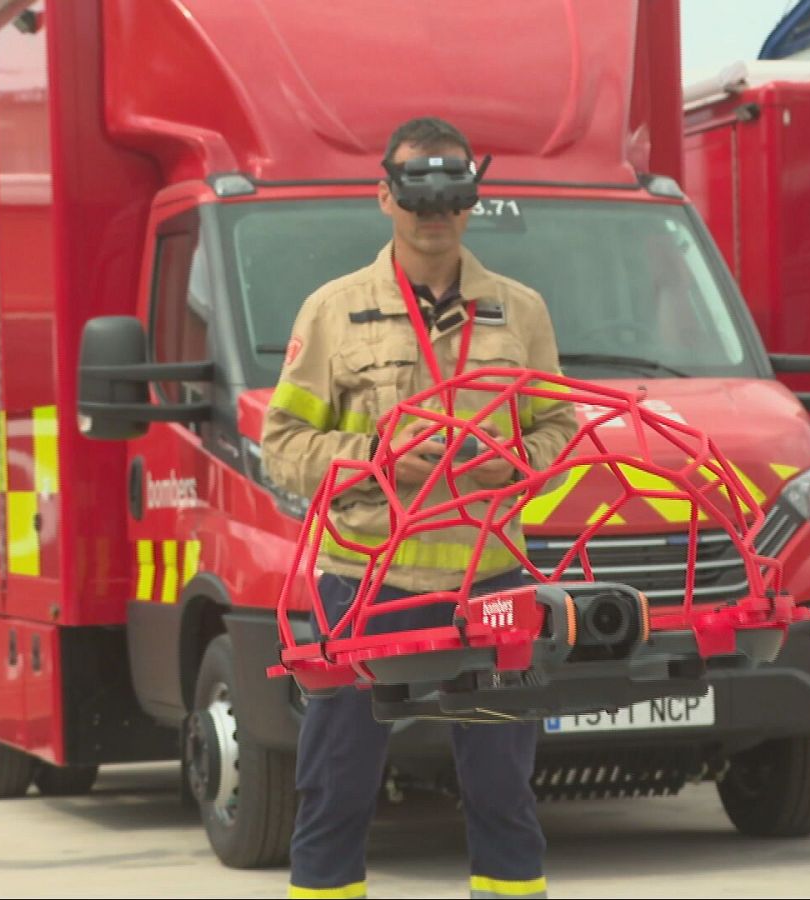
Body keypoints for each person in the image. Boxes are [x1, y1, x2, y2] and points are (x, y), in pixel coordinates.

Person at [261, 117, 576, 900]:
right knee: (337, 790)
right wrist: (378, 461)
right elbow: (283, 446)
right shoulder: (333, 312)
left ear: (471, 202)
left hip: (492, 581)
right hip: (366, 583)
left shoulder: (521, 312)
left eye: (451, 195)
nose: (434, 212)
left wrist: (511, 463)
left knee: (504, 793)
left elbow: (561, 428)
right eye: (417, 195)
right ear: (384, 198)